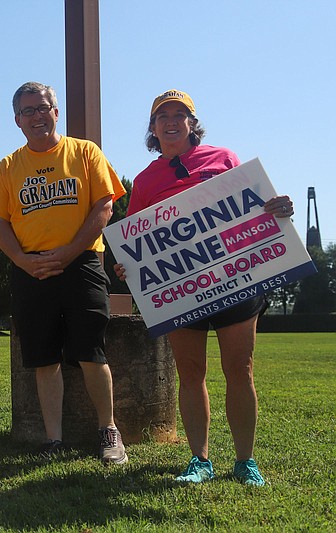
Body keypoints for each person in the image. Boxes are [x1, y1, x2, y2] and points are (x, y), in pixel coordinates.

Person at [115, 89, 294, 486]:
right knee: (191, 371)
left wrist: (278, 208)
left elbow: (256, 207)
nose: (172, 121)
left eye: (181, 114)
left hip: (236, 281)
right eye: (163, 116)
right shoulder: (144, 181)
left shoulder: (225, 158)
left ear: (193, 123)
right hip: (181, 291)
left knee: (240, 369)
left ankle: (245, 461)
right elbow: (134, 245)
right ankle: (200, 459)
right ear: (153, 128)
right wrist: (128, 267)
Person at [0, 81, 128, 463]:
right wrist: (20, 260)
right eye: (27, 111)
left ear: (56, 111)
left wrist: (68, 253)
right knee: (43, 359)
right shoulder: (9, 166)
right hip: (31, 269)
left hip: (81, 264)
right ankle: (54, 441)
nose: (36, 116)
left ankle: (108, 432)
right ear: (16, 120)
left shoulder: (84, 152)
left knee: (91, 352)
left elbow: (104, 207)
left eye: (43, 107)